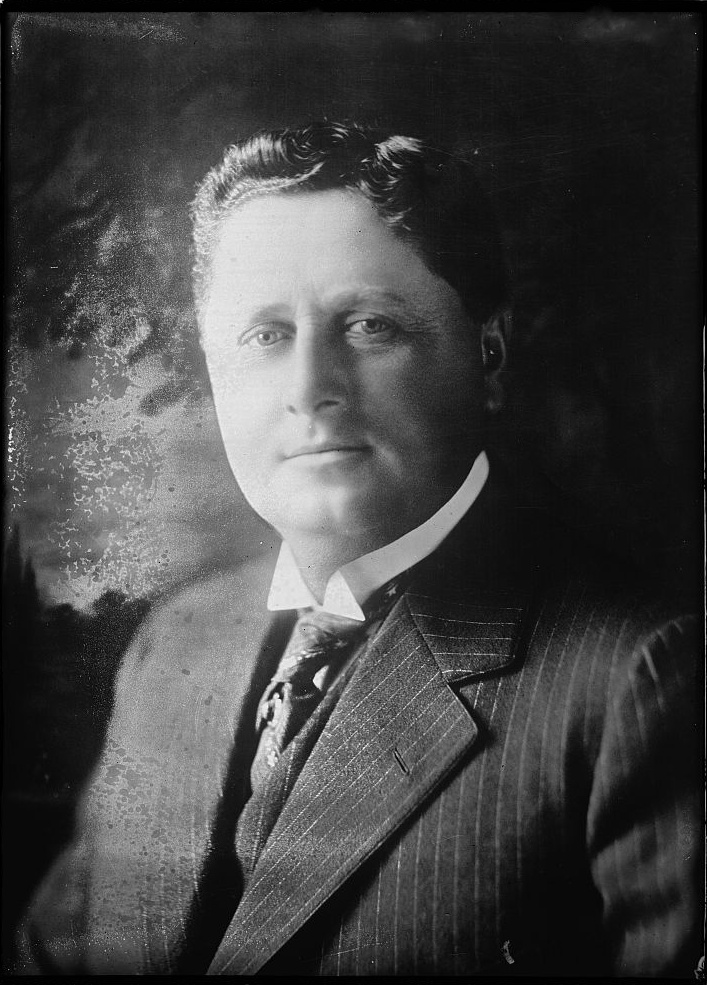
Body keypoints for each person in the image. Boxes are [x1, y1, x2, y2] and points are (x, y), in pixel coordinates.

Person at [16, 122, 700, 976]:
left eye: (371, 324)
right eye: (265, 335)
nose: (310, 388)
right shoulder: (173, 644)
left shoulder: (636, 680)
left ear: (488, 351)